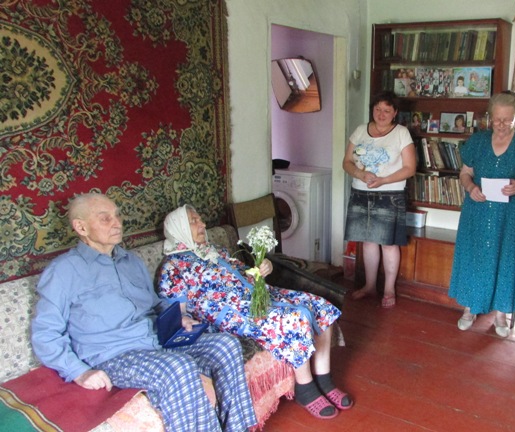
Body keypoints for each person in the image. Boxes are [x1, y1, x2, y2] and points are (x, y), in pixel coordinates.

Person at [30, 193, 257, 432]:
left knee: (225, 345)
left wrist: (179, 318)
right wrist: (79, 372)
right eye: (105, 219)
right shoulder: (63, 271)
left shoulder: (131, 261)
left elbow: (155, 304)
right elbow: (45, 334)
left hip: (156, 341)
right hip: (114, 355)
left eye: (117, 216)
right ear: (81, 227)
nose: (117, 223)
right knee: (178, 368)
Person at [159, 205, 352, 420]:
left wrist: (262, 270)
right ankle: (305, 388)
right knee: (295, 318)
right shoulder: (174, 266)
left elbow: (244, 273)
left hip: (258, 295)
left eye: (200, 219)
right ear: (179, 228)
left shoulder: (214, 250)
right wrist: (184, 318)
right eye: (194, 221)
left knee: (320, 306)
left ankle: (324, 378)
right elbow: (175, 309)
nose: (202, 224)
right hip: (232, 313)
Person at [449, 91, 515, 336]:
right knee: (475, 256)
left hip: (511, 214)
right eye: (496, 119)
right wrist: (471, 187)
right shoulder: (478, 141)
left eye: (507, 120)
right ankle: (470, 308)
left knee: (506, 258)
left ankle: (501, 314)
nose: (500, 125)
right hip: (477, 209)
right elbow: (465, 173)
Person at [343, 91, 417, 308]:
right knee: (368, 242)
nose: (381, 114)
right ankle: (369, 286)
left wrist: (383, 180)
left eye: (387, 110)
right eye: (378, 109)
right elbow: (347, 162)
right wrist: (360, 174)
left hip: (389, 195)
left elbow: (409, 168)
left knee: (388, 244)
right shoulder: (360, 130)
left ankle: (388, 289)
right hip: (360, 192)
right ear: (372, 110)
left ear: (395, 113)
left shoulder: (401, 133)